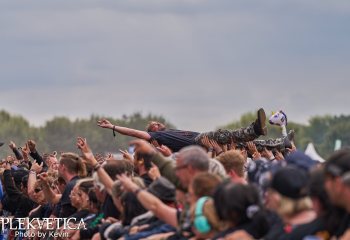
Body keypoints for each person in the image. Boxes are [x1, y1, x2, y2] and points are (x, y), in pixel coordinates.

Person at [97, 108, 268, 152]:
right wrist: (113, 126)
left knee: (248, 148)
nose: (157, 125)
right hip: (200, 141)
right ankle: (254, 129)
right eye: (153, 126)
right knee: (222, 134)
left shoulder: (171, 130)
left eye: (157, 123)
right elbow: (133, 132)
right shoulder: (157, 136)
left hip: (201, 142)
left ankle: (279, 145)